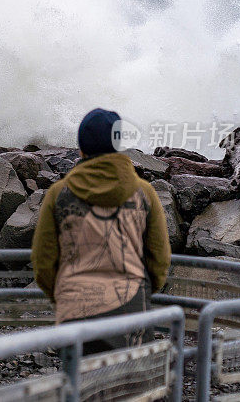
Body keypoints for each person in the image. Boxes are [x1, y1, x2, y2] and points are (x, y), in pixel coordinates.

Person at [31, 108, 171, 353]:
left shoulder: (58, 193)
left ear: (81, 148)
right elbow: (159, 260)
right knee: (131, 388)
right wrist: (143, 293)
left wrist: (64, 297)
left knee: (79, 386)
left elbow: (43, 263)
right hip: (131, 311)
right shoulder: (144, 193)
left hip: (75, 312)